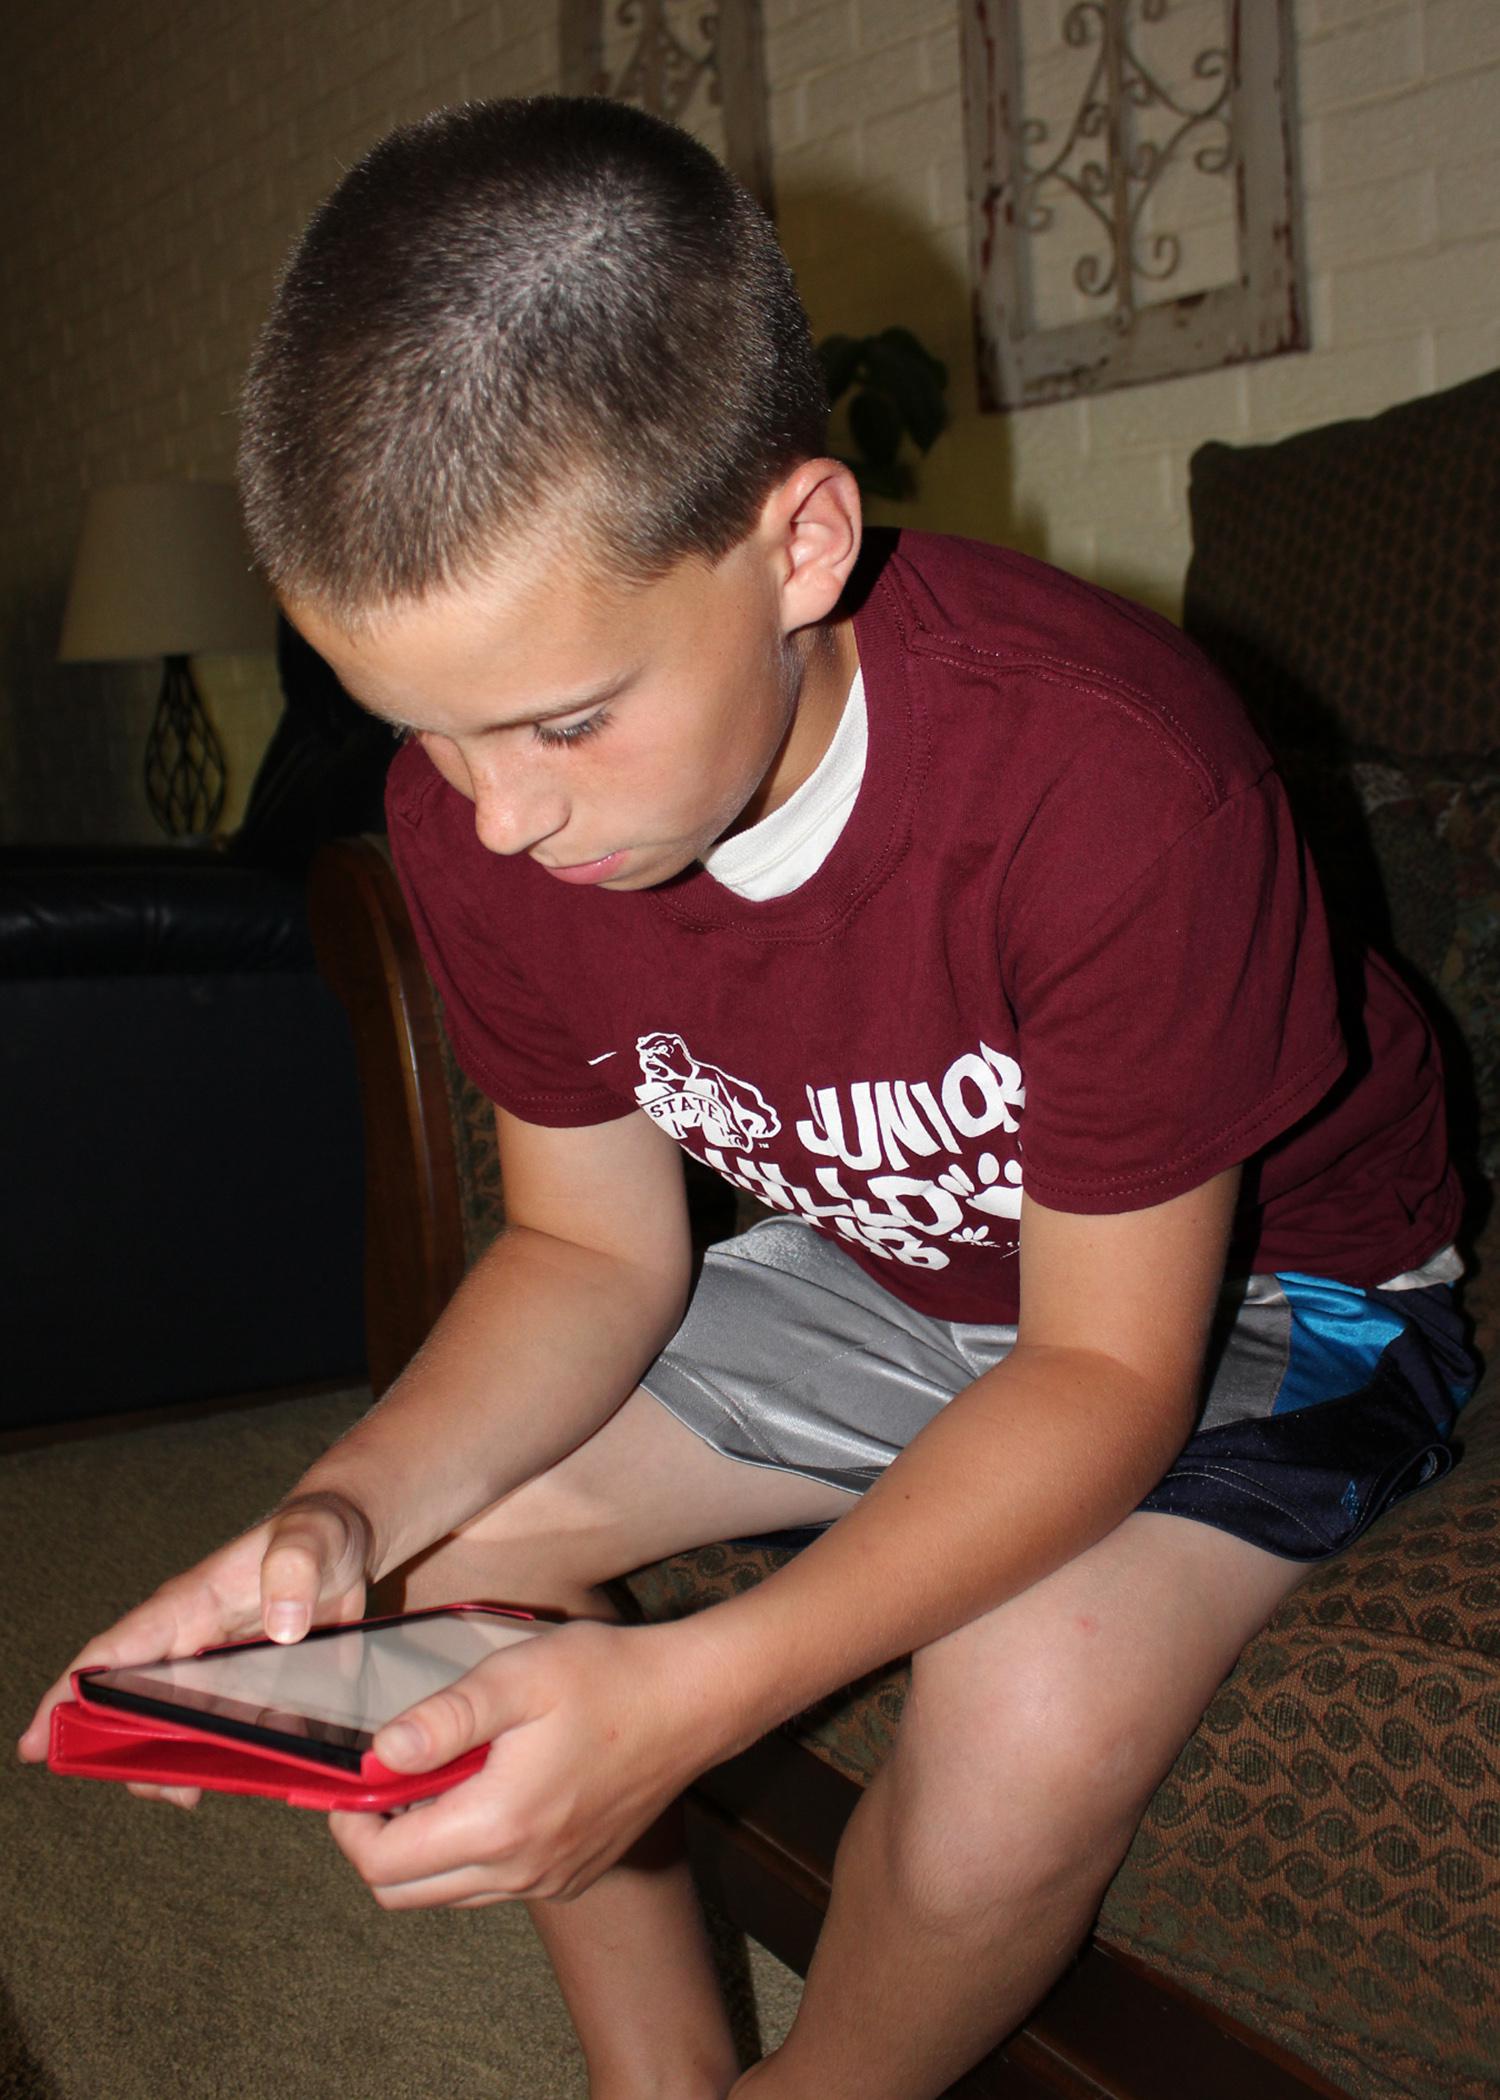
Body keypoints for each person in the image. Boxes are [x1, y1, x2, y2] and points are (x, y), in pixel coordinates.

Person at [22, 97, 1477, 2100]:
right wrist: (337, 1510)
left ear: (797, 542)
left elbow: (1100, 1378)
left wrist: (691, 1693)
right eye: (418, 734)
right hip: (904, 1260)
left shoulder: (1114, 788)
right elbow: (583, 1244)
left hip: (1265, 1304)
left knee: (1022, 1704)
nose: (498, 820)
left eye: (563, 722)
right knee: (446, 1558)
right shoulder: (485, 815)